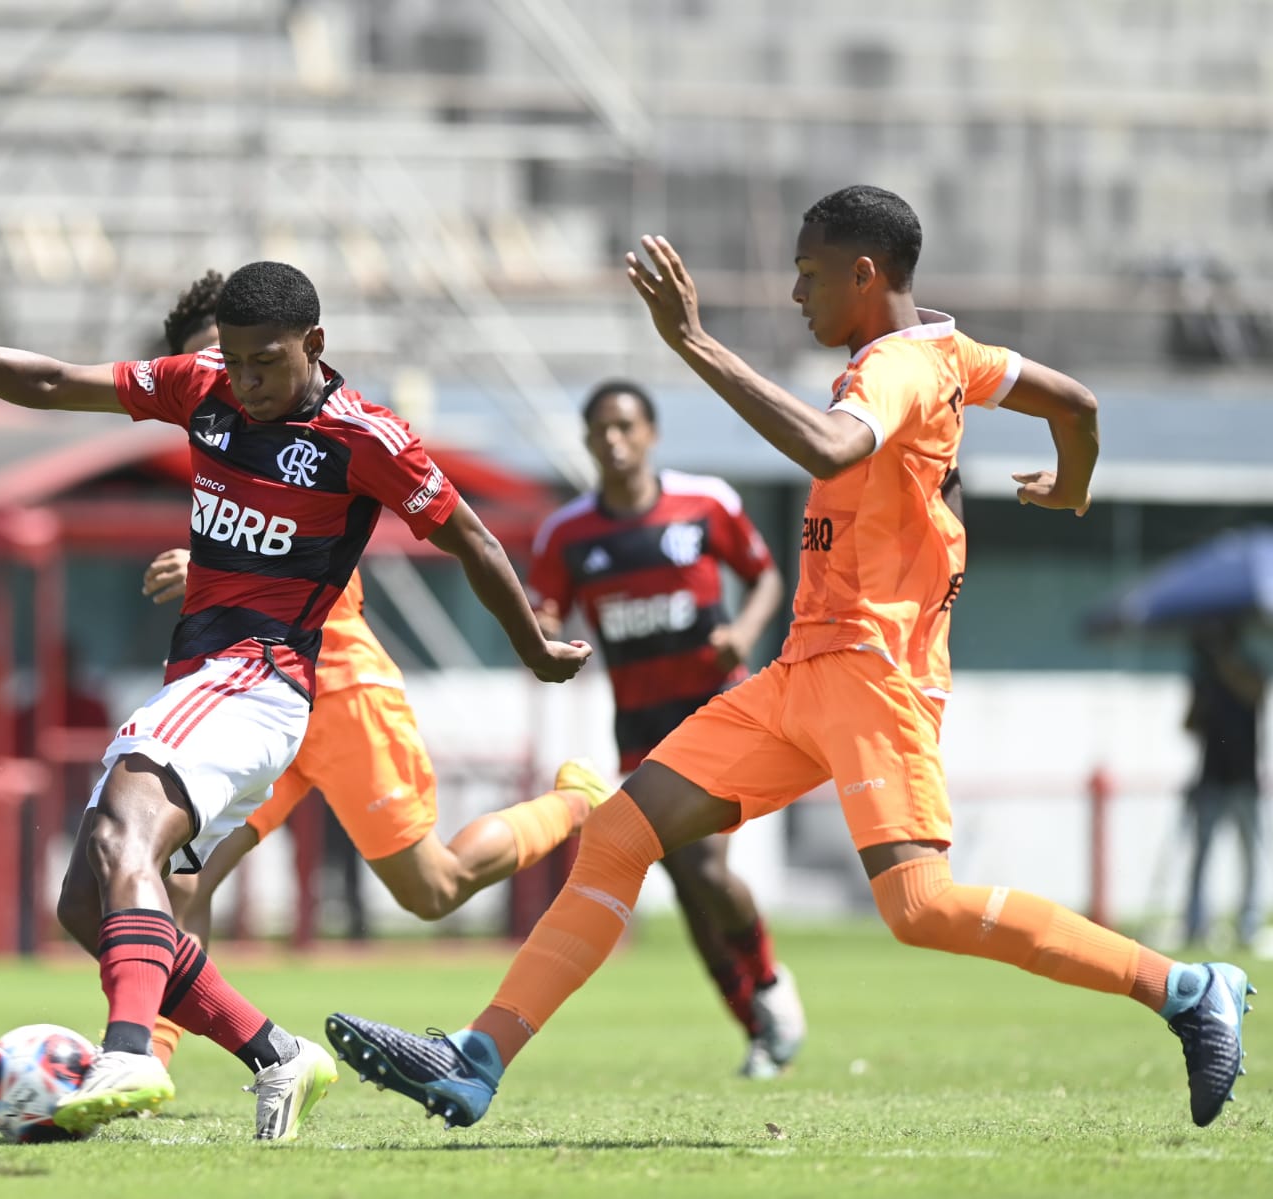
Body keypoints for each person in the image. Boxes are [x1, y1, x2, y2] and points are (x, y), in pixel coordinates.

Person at [324, 185, 1254, 1131]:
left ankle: (1185, 989)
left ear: (865, 274)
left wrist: (693, 344)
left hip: (871, 676)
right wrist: (1072, 486)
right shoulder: (948, 350)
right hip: (805, 669)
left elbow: (827, 445)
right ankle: (477, 1060)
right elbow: (1078, 404)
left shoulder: (888, 372)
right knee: (619, 832)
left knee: (920, 906)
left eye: (809, 275)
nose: (794, 292)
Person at [0, 260, 591, 1140]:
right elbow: (58, 382)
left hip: (267, 676)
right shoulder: (204, 388)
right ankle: (274, 1055)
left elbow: (473, 538)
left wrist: (532, 647)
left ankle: (134, 1048)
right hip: (212, 682)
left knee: (146, 837)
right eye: (235, 361)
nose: (245, 382)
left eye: (265, 362)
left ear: (315, 346)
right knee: (88, 901)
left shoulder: (364, 436)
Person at [135, 271, 611, 1070]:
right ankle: (147, 1055)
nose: (236, 387)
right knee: (180, 877)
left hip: (340, 684)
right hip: (246, 696)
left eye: (247, 364)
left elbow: (404, 533)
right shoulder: (216, 429)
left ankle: (573, 802)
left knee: (432, 888)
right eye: (218, 371)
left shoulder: (331, 433)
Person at [527, 379, 803, 1077]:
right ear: (588, 442)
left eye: (626, 426)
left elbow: (767, 574)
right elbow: (543, 611)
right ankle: (758, 1027)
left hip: (716, 711)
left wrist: (742, 631)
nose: (614, 442)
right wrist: (546, 634)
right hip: (641, 727)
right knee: (685, 881)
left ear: (650, 433)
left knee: (705, 867)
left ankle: (769, 986)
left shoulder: (705, 502)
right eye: (601, 431)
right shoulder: (569, 533)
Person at [1182, 619, 1265, 947]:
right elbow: (1188, 724)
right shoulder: (1204, 677)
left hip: (1244, 778)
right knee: (1201, 855)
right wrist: (1204, 691)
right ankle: (1196, 923)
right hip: (1211, 778)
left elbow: (1254, 692)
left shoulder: (1249, 669)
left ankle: (1248, 924)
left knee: (1249, 855)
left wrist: (1221, 664)